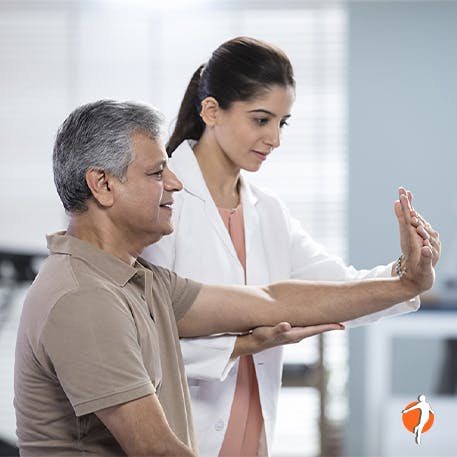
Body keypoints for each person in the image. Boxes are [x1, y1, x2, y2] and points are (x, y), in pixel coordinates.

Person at [14, 99, 434, 457]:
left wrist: (404, 282)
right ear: (103, 184)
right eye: (158, 173)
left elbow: (271, 302)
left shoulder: (139, 281)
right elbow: (156, 449)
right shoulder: (83, 297)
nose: (175, 184)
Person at [143, 36, 441, 457]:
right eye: (261, 120)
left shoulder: (269, 212)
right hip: (181, 433)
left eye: (282, 123)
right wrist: (242, 344)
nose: (275, 139)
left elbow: (339, 289)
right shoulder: (160, 201)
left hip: (253, 431)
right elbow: (138, 337)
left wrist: (407, 273)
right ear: (211, 111)